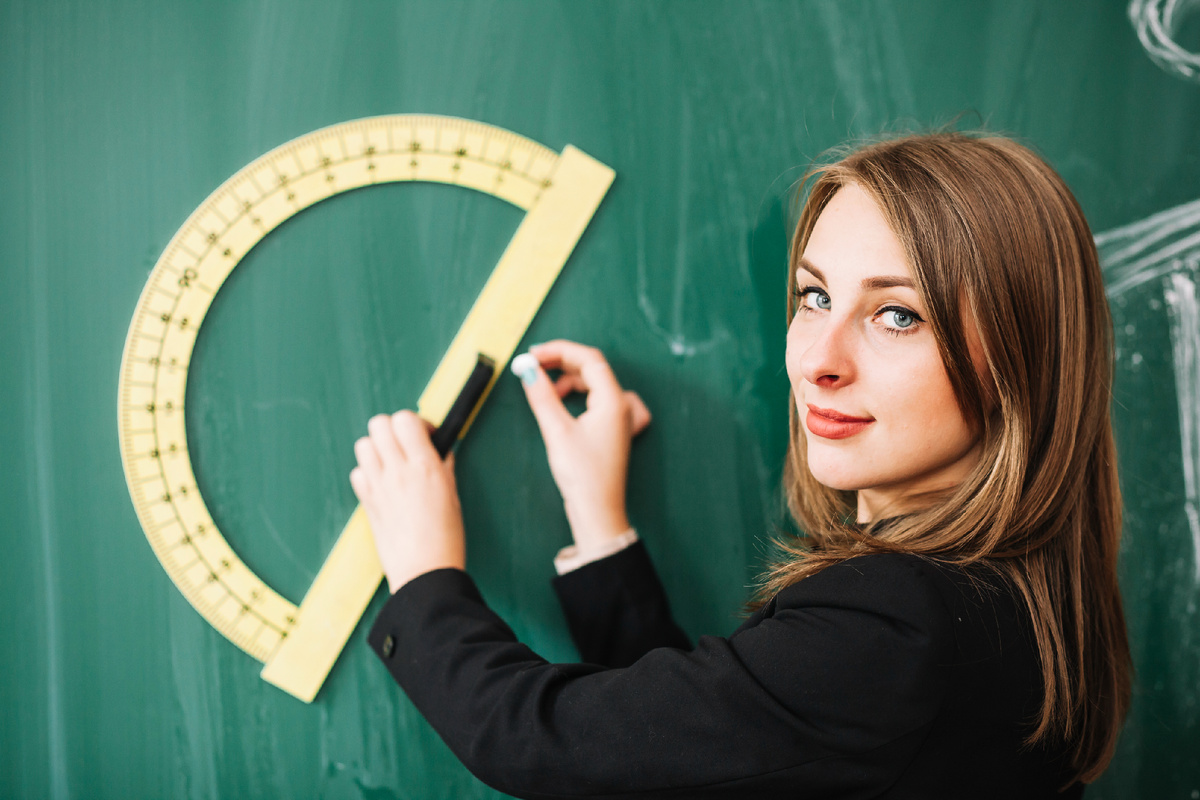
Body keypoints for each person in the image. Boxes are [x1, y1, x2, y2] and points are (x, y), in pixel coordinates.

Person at [349, 132, 1131, 798]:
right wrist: (598, 523)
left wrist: (425, 577)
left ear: (1020, 361)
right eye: (814, 296)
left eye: (897, 315)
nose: (818, 361)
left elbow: (539, 740)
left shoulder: (896, 621)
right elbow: (720, 751)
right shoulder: (1015, 601)